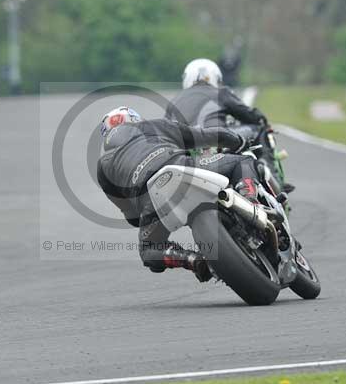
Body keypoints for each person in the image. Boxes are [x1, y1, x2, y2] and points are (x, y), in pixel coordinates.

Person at [96, 106, 263, 282]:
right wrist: (239, 141)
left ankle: (189, 259)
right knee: (244, 161)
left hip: (151, 199)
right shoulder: (154, 125)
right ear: (135, 120)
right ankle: (250, 199)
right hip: (183, 166)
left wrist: (148, 216)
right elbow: (206, 135)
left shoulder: (104, 166)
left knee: (148, 250)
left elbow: (130, 215)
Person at [165, 59, 292, 194]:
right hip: (216, 142)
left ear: (187, 78)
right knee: (259, 128)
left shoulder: (174, 100)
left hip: (184, 151)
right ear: (216, 78)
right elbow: (250, 115)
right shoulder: (220, 92)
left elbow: (165, 129)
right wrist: (261, 117)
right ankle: (276, 183)